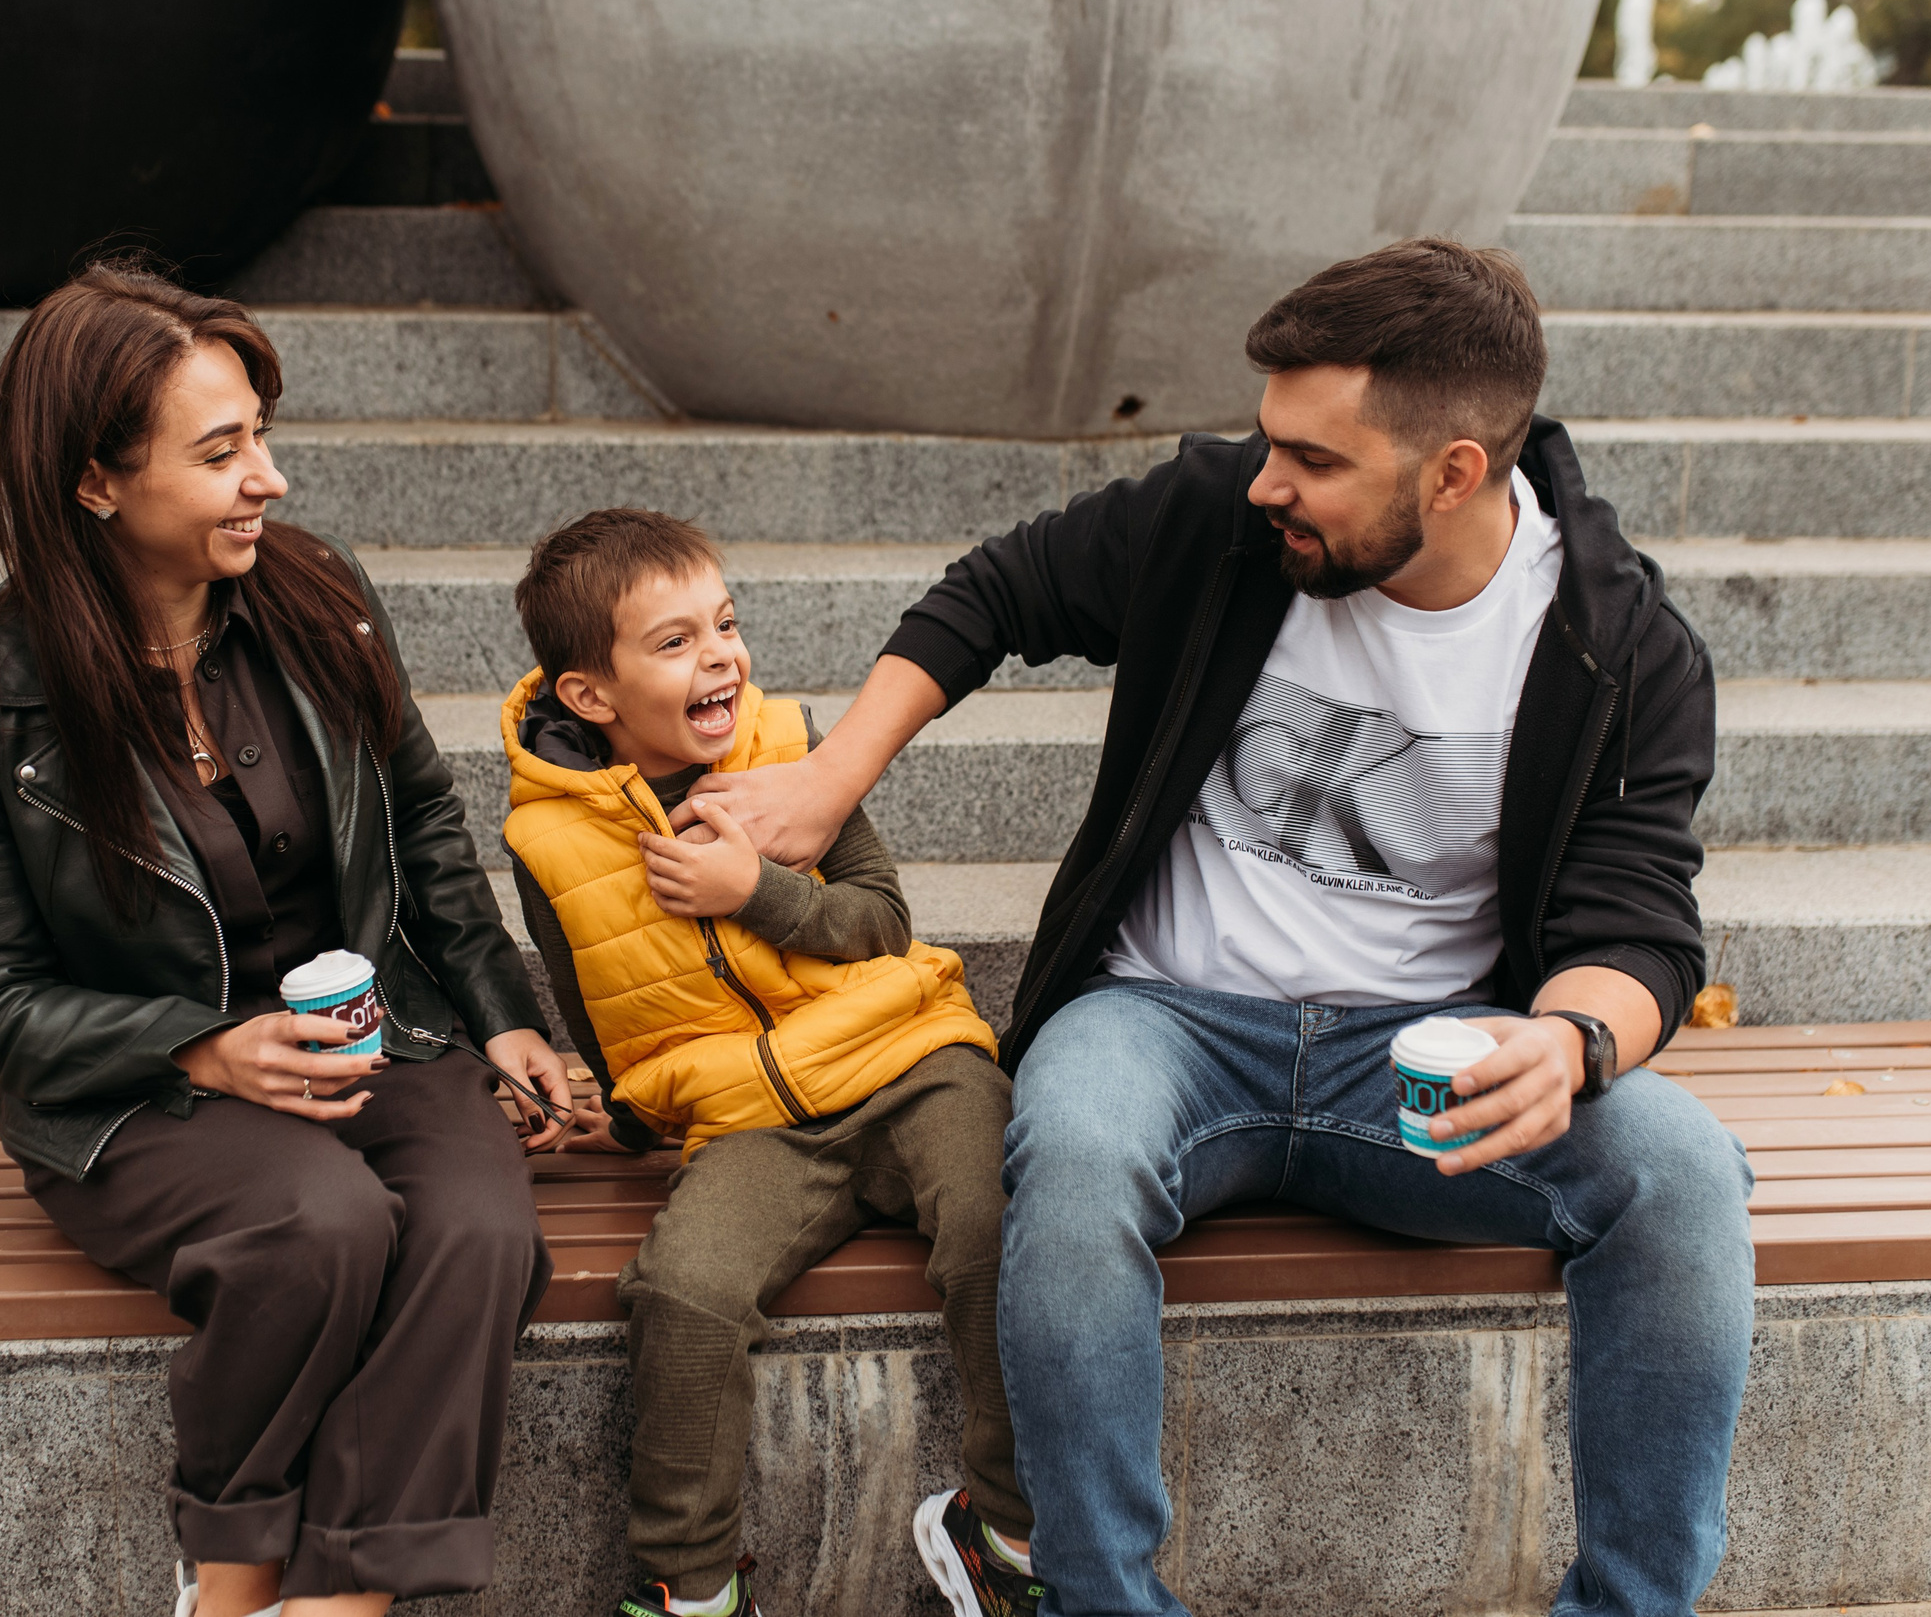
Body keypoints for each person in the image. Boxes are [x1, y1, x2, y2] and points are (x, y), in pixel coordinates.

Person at [673, 239, 1755, 1617]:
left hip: (1422, 1060)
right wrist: (831, 780)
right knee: (1068, 1148)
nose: (1267, 482)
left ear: (1456, 472)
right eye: (1266, 440)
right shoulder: (1220, 522)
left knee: (1680, 1172)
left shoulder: (1619, 649)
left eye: (1314, 458)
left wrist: (1571, 1042)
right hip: (1166, 1018)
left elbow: (1643, 919)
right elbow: (998, 590)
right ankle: (1101, 1600)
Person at [0, 262, 573, 1617]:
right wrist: (202, 1048)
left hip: (375, 1037)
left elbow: (425, 818)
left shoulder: (318, 597)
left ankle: (338, 1603)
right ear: (97, 481)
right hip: (139, 1092)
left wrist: (503, 1008)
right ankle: (230, 1574)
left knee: (481, 1234)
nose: (268, 476)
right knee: (319, 1226)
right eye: (221, 451)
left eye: (261, 433)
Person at [500, 509, 1042, 1617]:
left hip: (908, 1055)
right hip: (749, 1116)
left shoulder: (790, 744)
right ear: (589, 694)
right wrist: (632, 1118)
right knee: (683, 1288)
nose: (721, 658)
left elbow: (882, 920)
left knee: (998, 1227)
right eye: (675, 641)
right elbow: (604, 1013)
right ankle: (688, 1587)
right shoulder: (544, 839)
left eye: (727, 624)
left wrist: (760, 893)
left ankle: (1008, 1531)